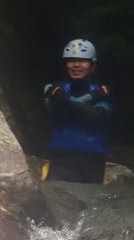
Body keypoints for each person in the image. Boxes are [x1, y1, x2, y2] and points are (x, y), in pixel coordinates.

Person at [43, 38, 112, 183]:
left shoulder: (103, 91)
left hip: (92, 159)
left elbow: (95, 115)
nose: (76, 65)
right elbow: (57, 115)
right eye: (71, 61)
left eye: (82, 61)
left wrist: (65, 99)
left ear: (92, 65)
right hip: (61, 158)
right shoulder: (55, 88)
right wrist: (91, 97)